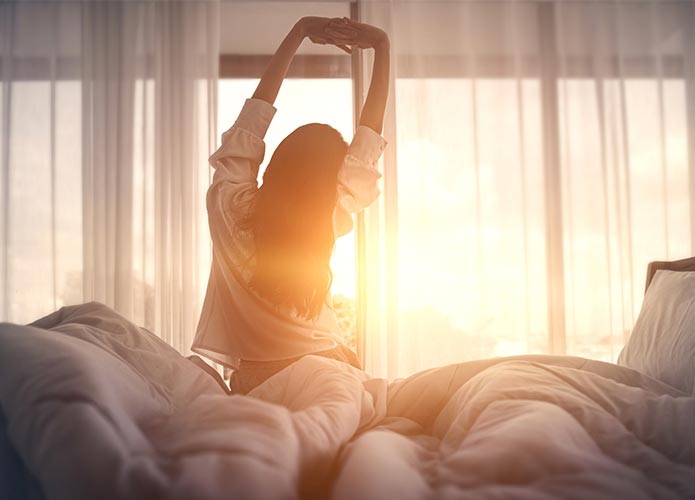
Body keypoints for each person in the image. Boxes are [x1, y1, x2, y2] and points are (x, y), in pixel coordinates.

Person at [191, 16, 390, 394]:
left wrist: (299, 32)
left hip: (255, 379)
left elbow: (251, 123)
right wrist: (381, 46)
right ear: (329, 181)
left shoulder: (227, 205)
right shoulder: (328, 217)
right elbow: (367, 141)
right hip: (329, 366)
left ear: (278, 162)